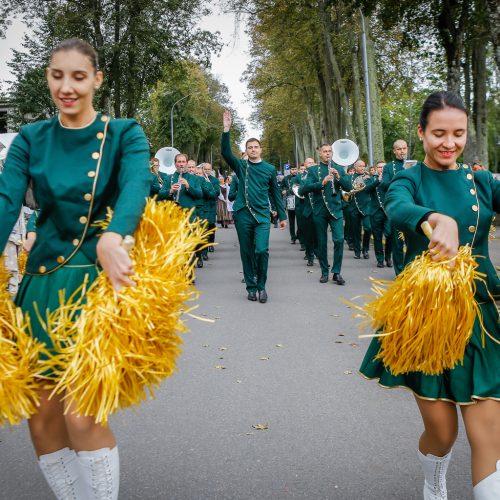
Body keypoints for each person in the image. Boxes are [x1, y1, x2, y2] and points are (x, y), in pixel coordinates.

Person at [0, 38, 151, 499]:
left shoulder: (125, 133)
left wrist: (114, 234)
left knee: (82, 415)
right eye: (57, 75)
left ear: (96, 80)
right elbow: (7, 202)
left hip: (93, 286)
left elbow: (135, 186)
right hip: (41, 287)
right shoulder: (30, 138)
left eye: (78, 77)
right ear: (48, 77)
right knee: (43, 419)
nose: (67, 87)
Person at [360, 91, 500, 500]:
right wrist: (436, 218)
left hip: (482, 319)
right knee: (442, 433)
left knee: (487, 436)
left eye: (458, 134)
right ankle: (434, 481)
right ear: (421, 133)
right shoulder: (409, 178)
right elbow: (396, 206)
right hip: (426, 322)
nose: (449, 143)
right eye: (439, 133)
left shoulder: (480, 182)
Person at [221, 110, 287, 303]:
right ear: (246, 150)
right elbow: (225, 153)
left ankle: (262, 286)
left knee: (261, 250)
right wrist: (226, 130)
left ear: (260, 149)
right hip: (243, 214)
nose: (252, 149)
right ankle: (250, 287)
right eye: (249, 147)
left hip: (262, 215)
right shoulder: (241, 166)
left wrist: (282, 216)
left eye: (255, 147)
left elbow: (275, 194)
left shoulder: (269, 169)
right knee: (247, 251)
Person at [299, 144, 350, 285]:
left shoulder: (339, 169)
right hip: (319, 211)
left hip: (336, 209)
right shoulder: (312, 170)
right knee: (321, 243)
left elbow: (349, 187)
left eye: (330, 151)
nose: (328, 153)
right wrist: (321, 183)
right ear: (320, 154)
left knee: (339, 239)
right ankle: (324, 272)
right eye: (325, 151)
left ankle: (337, 272)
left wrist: (339, 177)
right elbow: (304, 189)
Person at [380, 139, 408, 275]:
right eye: (399, 149)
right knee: (397, 241)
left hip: (412, 206)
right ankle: (400, 273)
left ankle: (412, 270)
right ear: (394, 151)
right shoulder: (389, 167)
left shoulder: (415, 165)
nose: (402, 151)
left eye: (404, 148)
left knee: (413, 241)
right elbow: (383, 185)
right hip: (396, 207)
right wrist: (397, 179)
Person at [343, 159, 378, 260]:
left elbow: (369, 189)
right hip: (354, 208)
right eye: (360, 166)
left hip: (366, 207)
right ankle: (357, 251)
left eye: (363, 166)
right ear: (355, 167)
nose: (362, 168)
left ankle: (365, 249)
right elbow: (347, 189)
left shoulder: (369, 178)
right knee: (356, 231)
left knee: (368, 228)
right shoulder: (350, 178)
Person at [164, 153, 202, 219]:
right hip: (172, 215)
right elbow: (160, 195)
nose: (181, 164)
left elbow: (200, 195)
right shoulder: (168, 178)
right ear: (175, 164)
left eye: (183, 162)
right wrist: (170, 190)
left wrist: (188, 187)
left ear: (186, 164)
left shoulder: (195, 178)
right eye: (179, 162)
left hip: (189, 215)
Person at [370, 160, 393, 268]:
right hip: (375, 212)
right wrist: (377, 181)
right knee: (377, 236)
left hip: (388, 211)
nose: (382, 169)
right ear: (376, 168)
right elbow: (366, 190)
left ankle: (388, 256)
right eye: (380, 167)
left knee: (389, 234)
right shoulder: (371, 179)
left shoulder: (391, 179)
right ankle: (380, 259)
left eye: (384, 167)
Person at [281, 165, 298, 243]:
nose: (294, 170)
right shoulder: (286, 178)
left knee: (300, 221)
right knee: (291, 221)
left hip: (299, 201)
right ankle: (293, 237)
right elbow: (281, 187)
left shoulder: (299, 177)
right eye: (292, 169)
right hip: (290, 201)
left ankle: (299, 235)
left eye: (295, 169)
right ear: (290, 170)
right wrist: (283, 190)